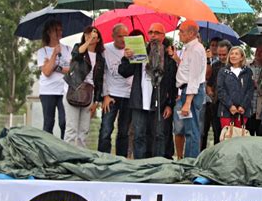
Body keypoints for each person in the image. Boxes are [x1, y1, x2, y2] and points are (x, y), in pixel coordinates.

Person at [119, 23, 177, 159]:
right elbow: (124, 72)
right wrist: (126, 58)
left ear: (163, 36)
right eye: (150, 32)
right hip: (139, 101)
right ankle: (140, 165)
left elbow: (172, 84)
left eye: (157, 32)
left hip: (160, 103)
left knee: (159, 135)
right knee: (139, 135)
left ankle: (157, 165)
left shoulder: (169, 57)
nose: (153, 35)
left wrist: (170, 104)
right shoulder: (139, 51)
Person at [63, 26, 105, 148]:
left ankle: (81, 157)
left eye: (93, 34)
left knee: (84, 130)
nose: (90, 36)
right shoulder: (78, 47)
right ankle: (67, 157)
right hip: (74, 90)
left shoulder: (100, 58)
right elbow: (77, 55)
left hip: (89, 94)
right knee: (71, 129)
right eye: (86, 34)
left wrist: (96, 101)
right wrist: (87, 41)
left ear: (98, 39)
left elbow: (99, 81)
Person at [97, 23, 133, 157]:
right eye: (120, 36)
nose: (123, 39)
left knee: (124, 131)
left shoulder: (133, 49)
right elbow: (102, 74)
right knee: (106, 129)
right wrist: (105, 95)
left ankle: (121, 161)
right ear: (113, 36)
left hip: (128, 95)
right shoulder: (105, 50)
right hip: (111, 94)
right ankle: (103, 160)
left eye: (126, 36)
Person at [176, 20, 207, 158]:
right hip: (186, 90)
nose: (179, 34)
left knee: (192, 130)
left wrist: (188, 102)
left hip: (191, 92)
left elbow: (194, 78)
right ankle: (189, 159)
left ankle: (191, 162)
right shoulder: (188, 48)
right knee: (188, 129)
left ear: (191, 33)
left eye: (182, 31)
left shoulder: (196, 49)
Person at [36, 20, 71, 139]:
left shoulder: (68, 49)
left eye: (60, 29)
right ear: (48, 32)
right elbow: (46, 72)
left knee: (64, 122)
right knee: (48, 123)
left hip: (64, 91)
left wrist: (54, 66)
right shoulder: (42, 51)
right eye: (56, 30)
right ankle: (47, 150)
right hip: (48, 92)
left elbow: (71, 69)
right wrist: (54, 54)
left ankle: (64, 149)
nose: (59, 32)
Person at [217, 46, 254, 130]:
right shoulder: (223, 71)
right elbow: (220, 90)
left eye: (236, 54)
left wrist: (243, 106)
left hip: (242, 111)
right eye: (231, 54)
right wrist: (230, 105)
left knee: (239, 139)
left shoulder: (248, 72)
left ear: (241, 57)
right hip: (226, 111)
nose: (233, 56)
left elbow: (250, 90)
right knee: (227, 138)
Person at [206, 39, 232, 144]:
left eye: (224, 55)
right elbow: (209, 83)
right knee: (217, 134)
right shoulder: (215, 65)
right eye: (219, 54)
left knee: (229, 134)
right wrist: (210, 92)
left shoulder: (236, 67)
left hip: (230, 106)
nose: (221, 57)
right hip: (216, 104)